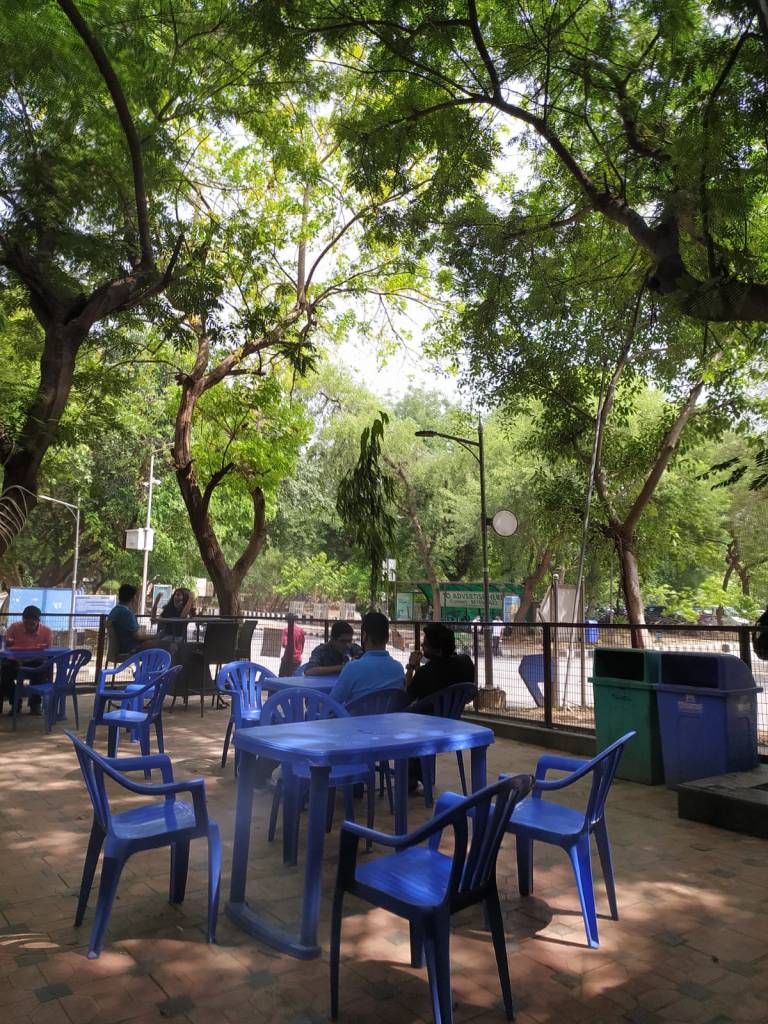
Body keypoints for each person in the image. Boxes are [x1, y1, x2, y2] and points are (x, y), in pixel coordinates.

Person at [330, 612, 404, 706]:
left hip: (355, 716)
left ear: (364, 636)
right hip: (389, 716)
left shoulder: (353, 668)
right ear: (387, 638)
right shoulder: (398, 669)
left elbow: (330, 705)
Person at [1, 605, 54, 714]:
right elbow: (5, 647)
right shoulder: (14, 627)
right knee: (5, 673)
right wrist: (8, 644)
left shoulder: (47, 632)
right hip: (16, 661)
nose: (29, 626)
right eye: (26, 623)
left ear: (38, 621)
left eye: (32, 624)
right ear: (22, 620)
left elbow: (47, 653)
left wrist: (28, 660)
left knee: (40, 671)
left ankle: (35, 704)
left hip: (36, 661)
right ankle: (15, 703)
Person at [405, 623, 475, 700]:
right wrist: (418, 668)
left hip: (429, 707)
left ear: (439, 651)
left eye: (426, 644)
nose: (422, 645)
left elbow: (408, 696)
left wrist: (410, 667)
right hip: (456, 707)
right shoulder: (465, 661)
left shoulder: (425, 672)